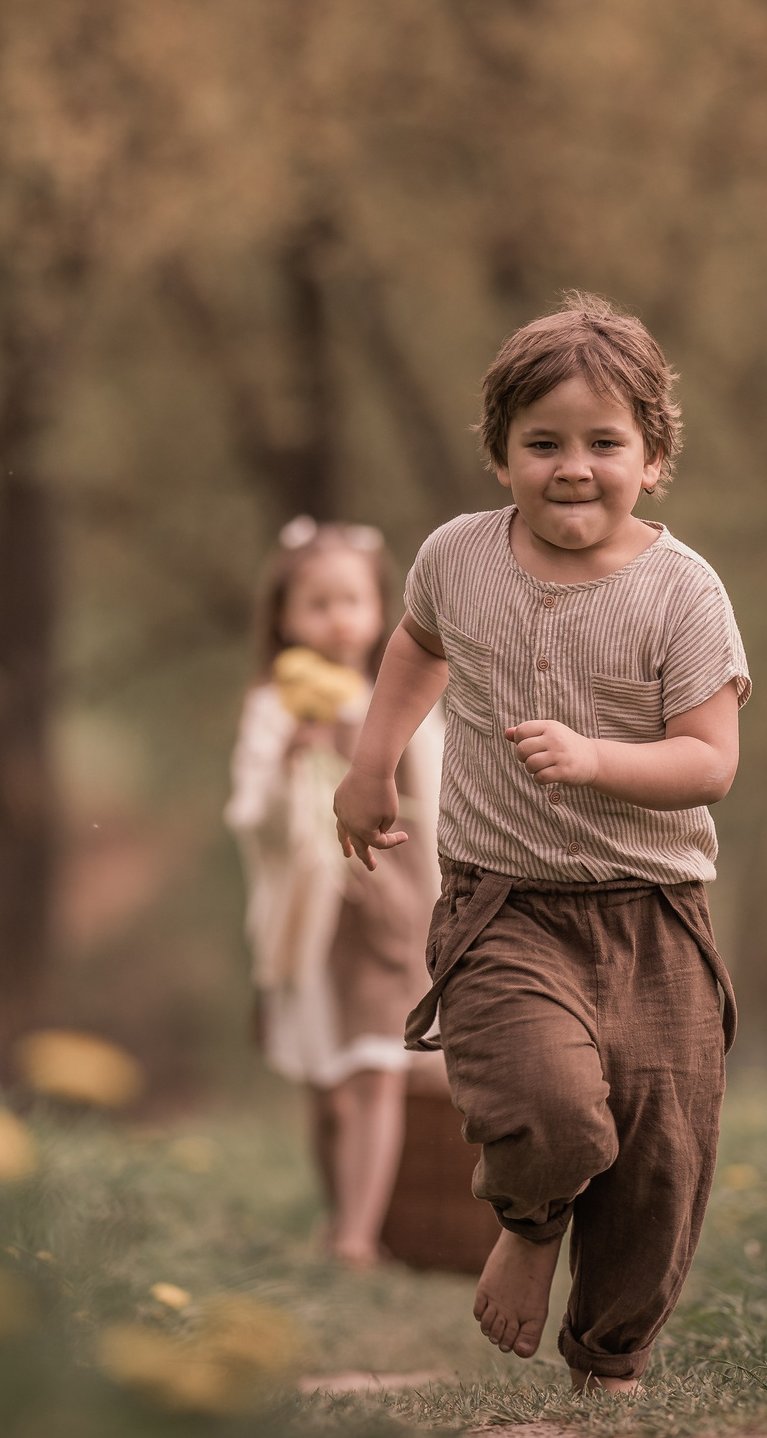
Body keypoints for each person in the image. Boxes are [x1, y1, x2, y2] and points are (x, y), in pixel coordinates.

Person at [334, 293, 747, 1394]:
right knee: (552, 1110)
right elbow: (416, 650)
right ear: (500, 455)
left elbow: (710, 761)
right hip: (503, 905)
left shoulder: (683, 593)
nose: (574, 466)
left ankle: (607, 1374)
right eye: (544, 443)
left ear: (652, 458)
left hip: (655, 917)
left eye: (604, 442)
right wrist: (373, 765)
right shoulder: (457, 560)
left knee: (660, 1162)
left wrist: (598, 757)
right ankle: (526, 1224)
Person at [225, 516, 445, 1269]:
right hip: (311, 919)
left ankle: (358, 1235)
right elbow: (249, 818)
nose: (337, 618)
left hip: (390, 903)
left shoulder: (404, 696)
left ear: (378, 609)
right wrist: (295, 762)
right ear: (285, 617)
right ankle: (338, 1217)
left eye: (352, 600)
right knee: (327, 1085)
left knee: (377, 1067)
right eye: (317, 603)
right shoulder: (274, 709)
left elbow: (441, 792)